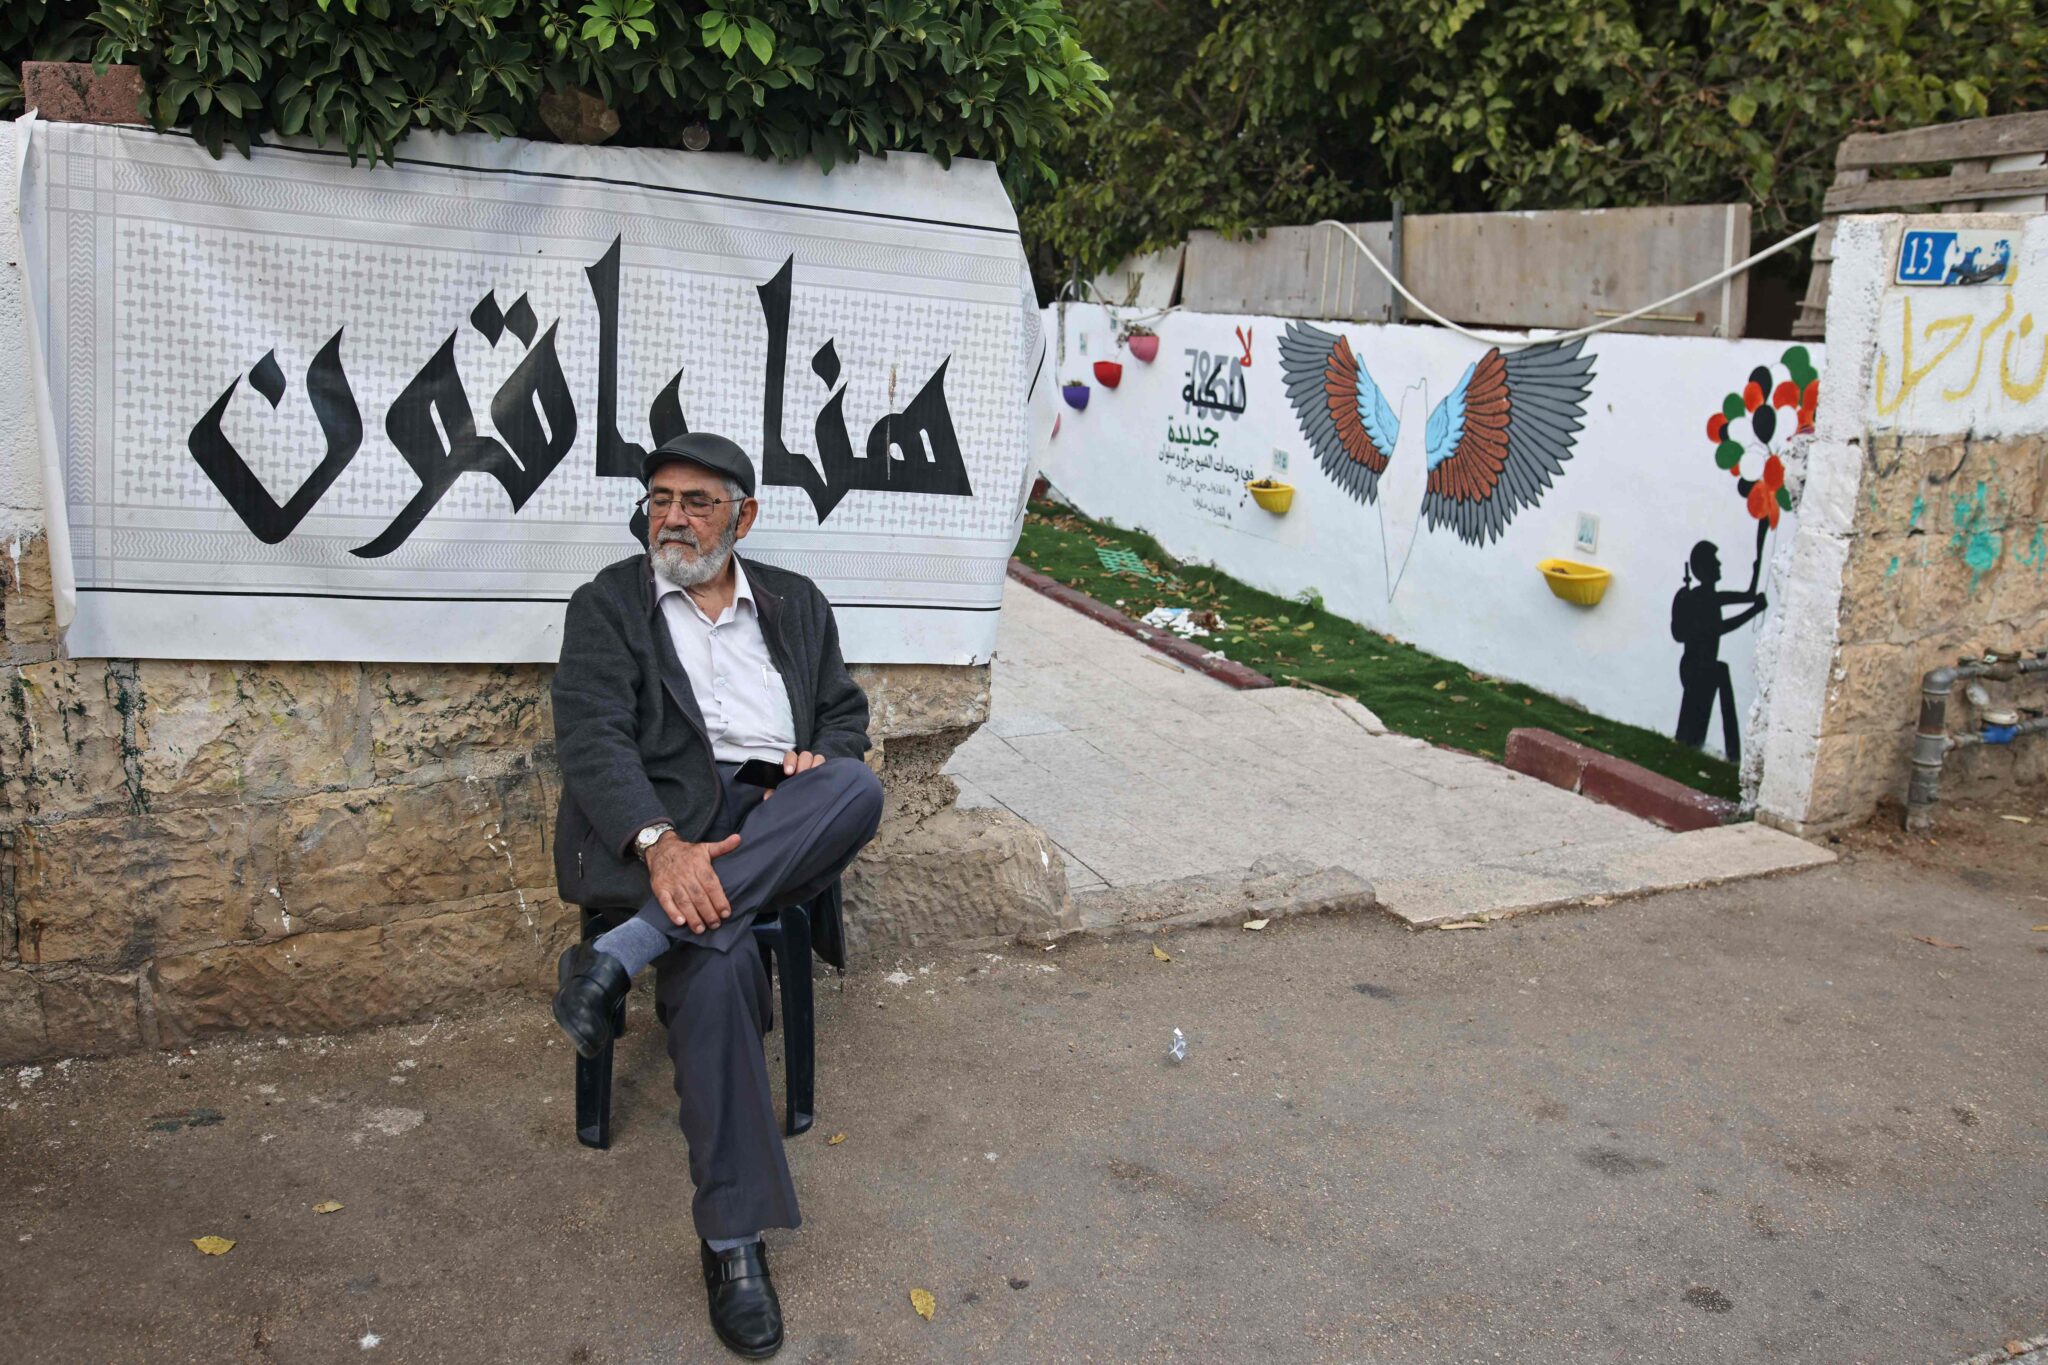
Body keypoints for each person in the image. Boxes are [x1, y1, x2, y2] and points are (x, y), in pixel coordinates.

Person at [549, 432, 883, 1359]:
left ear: (744, 514)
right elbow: (593, 738)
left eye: (698, 501)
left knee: (857, 788)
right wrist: (661, 846)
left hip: (779, 816)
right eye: (661, 498)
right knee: (723, 958)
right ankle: (734, 1243)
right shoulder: (609, 606)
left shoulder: (797, 604)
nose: (674, 517)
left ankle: (621, 956)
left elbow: (844, 717)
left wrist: (825, 756)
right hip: (670, 824)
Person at [1670, 539, 1767, 764]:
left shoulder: (1712, 597)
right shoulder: (1700, 599)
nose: (1720, 564)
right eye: (1715, 561)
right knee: (1695, 715)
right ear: (1704, 568)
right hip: (1696, 666)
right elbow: (1720, 629)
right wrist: (1754, 610)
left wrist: (1756, 569)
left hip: (1703, 665)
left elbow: (1746, 595)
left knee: (1697, 716)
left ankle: (1728, 753)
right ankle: (1731, 754)